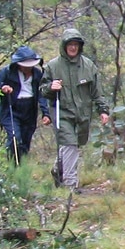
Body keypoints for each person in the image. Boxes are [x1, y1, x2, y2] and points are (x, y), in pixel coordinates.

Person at [40, 28, 111, 189]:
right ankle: (70, 185)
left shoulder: (88, 66)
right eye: (69, 44)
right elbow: (42, 90)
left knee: (74, 143)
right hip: (62, 111)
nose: (73, 47)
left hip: (82, 113)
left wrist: (103, 110)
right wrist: (51, 87)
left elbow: (97, 91)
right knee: (69, 143)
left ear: (80, 46)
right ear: (64, 46)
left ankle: (58, 168)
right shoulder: (53, 66)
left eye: (76, 44)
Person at [0, 46, 51, 162]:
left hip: (29, 110)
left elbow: (41, 94)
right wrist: (3, 87)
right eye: (25, 65)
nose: (28, 68)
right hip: (11, 109)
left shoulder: (37, 74)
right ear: (18, 63)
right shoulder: (7, 72)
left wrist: (46, 113)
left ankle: (21, 166)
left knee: (25, 139)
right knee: (14, 137)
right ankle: (12, 166)